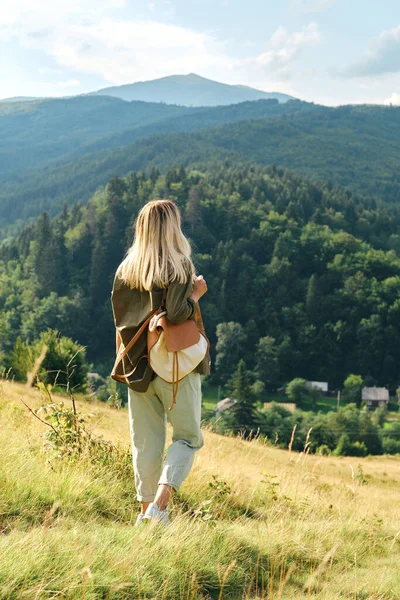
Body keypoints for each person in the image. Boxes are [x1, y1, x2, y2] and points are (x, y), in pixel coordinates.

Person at [110, 199, 210, 526]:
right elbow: (179, 313)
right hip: (175, 368)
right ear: (172, 227)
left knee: (146, 442)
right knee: (187, 438)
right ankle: (160, 508)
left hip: (137, 369)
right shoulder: (179, 265)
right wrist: (195, 294)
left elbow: (121, 322)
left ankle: (144, 516)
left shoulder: (126, 271)